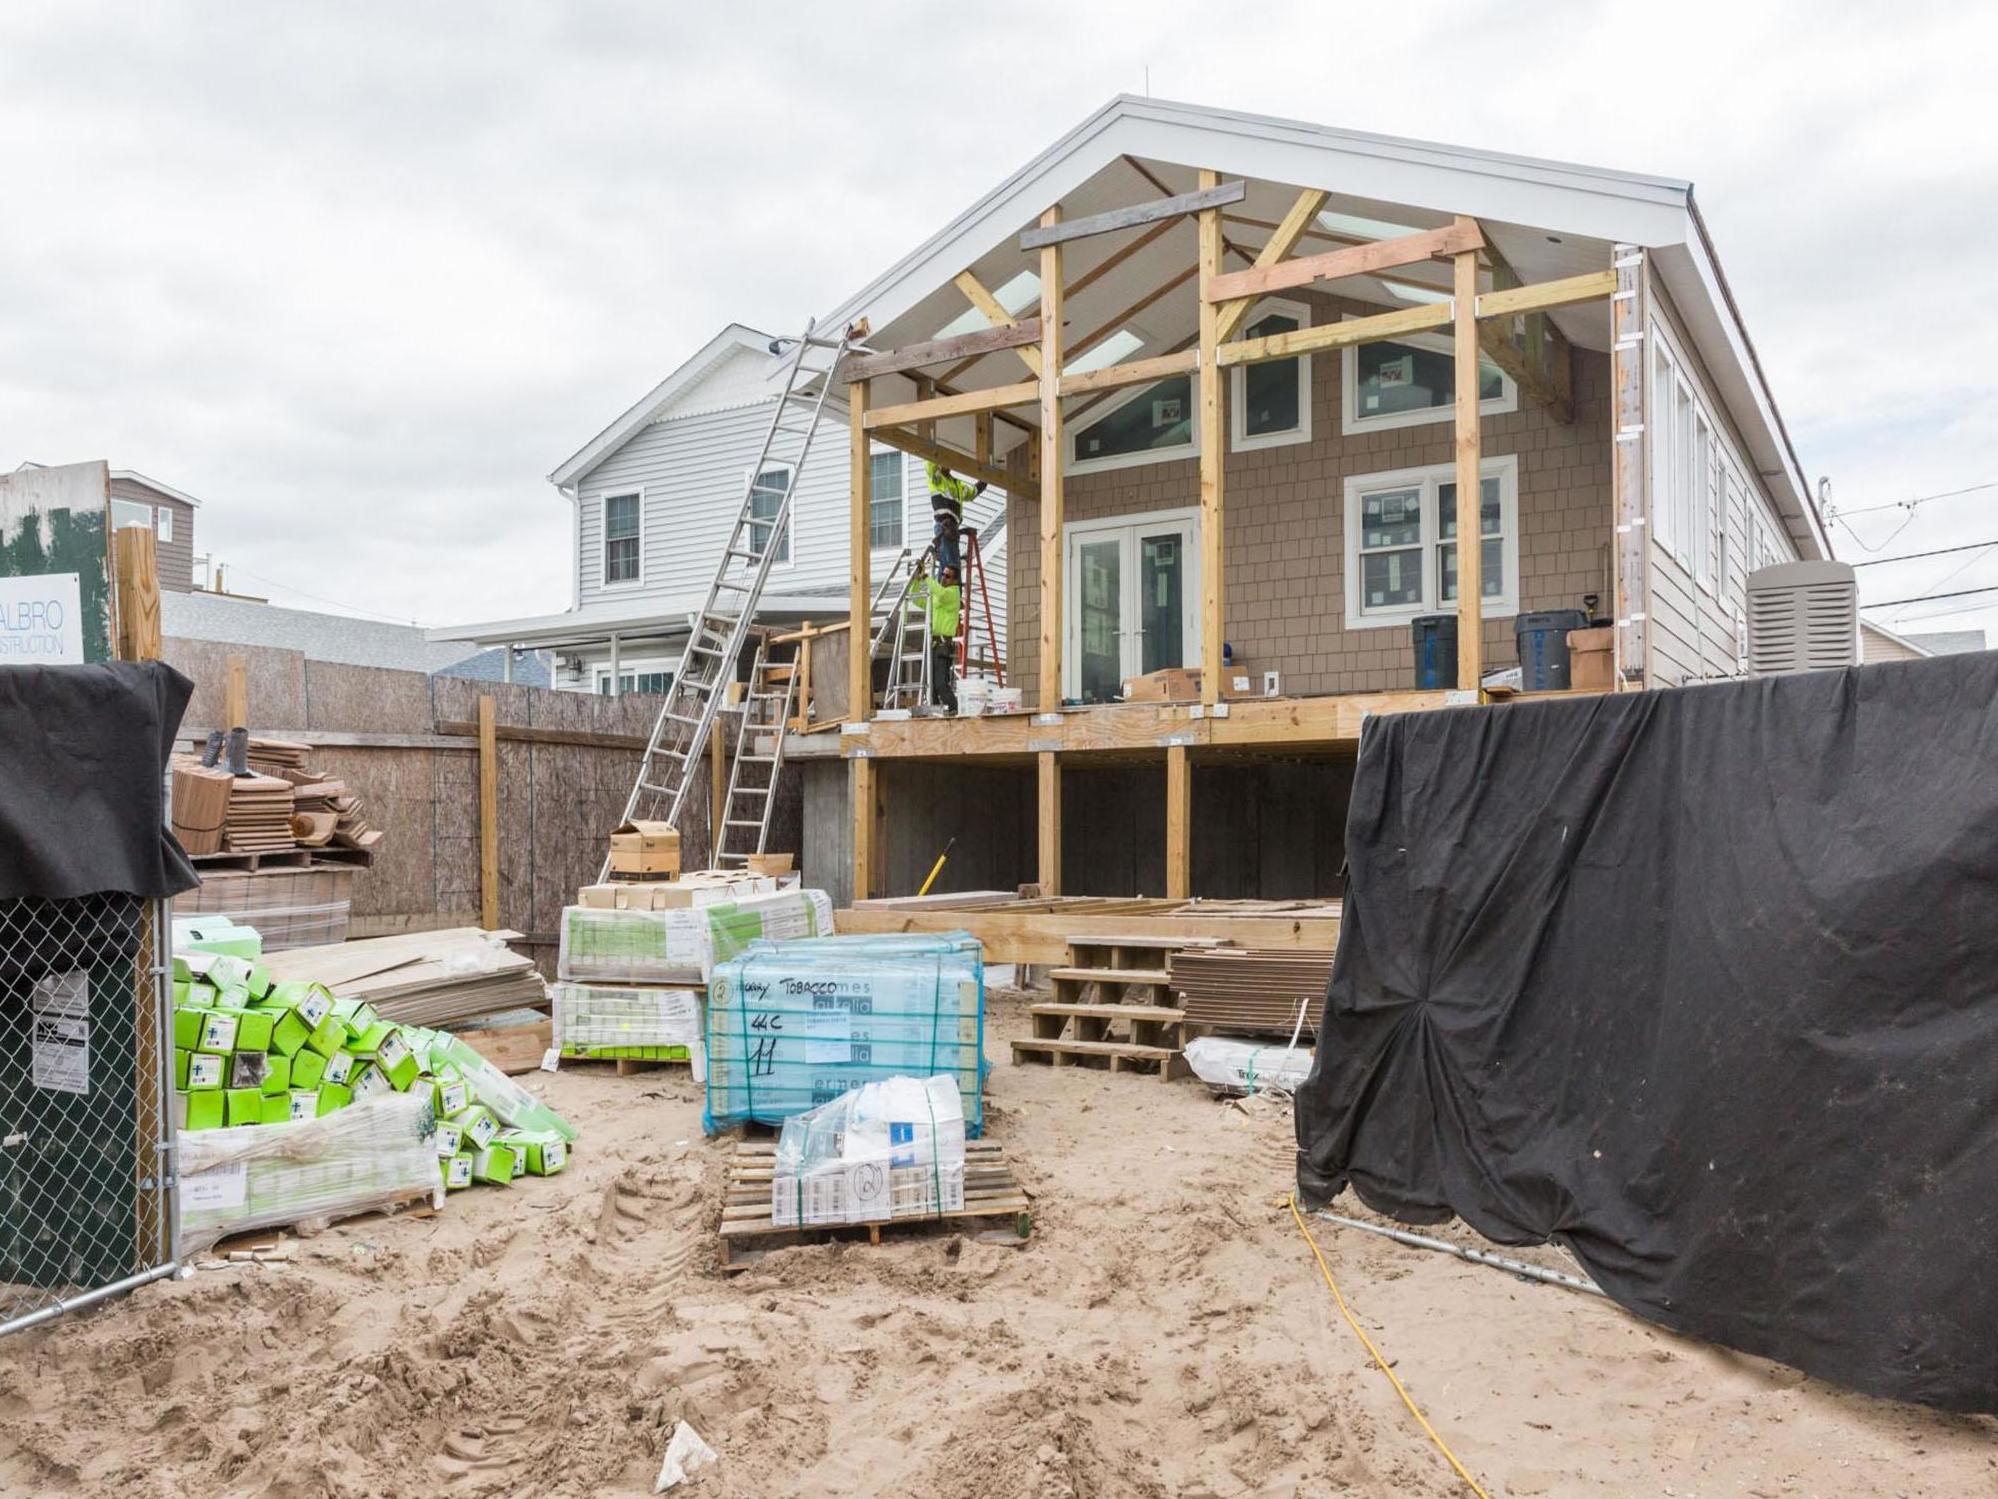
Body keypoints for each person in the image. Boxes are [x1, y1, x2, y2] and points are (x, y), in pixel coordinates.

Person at [914, 562, 962, 713]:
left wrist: (926, 577)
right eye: (942, 574)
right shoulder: (938, 595)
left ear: (954, 581)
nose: (943, 578)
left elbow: (941, 594)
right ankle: (935, 713)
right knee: (932, 686)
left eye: (947, 576)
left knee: (941, 684)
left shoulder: (953, 594)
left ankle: (955, 711)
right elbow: (918, 600)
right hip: (933, 644)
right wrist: (916, 581)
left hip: (943, 645)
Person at [925, 461, 986, 577]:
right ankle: (944, 592)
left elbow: (972, 492)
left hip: (952, 529)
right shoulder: (937, 478)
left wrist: (986, 479)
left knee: (952, 565)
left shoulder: (957, 485)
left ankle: (950, 591)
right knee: (948, 565)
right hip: (943, 525)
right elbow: (929, 462)